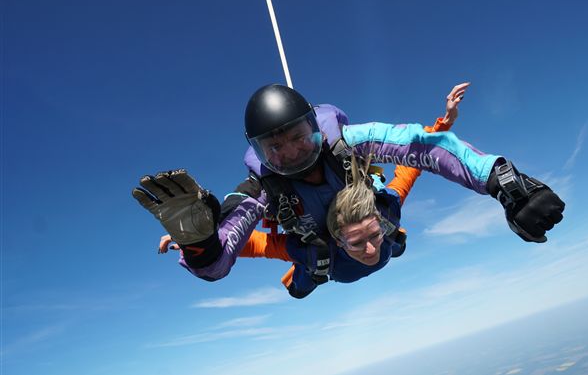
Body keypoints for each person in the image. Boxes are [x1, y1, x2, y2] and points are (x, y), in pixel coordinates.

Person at [133, 82, 565, 286]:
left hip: (345, 240)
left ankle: (325, 268)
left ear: (313, 127)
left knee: (384, 230)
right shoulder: (264, 189)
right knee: (308, 266)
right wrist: (199, 241)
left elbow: (420, 150)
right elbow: (236, 246)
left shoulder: (348, 145)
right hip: (319, 257)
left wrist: (505, 183)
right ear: (259, 152)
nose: (291, 153)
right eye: (274, 147)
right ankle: (304, 280)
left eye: (297, 137)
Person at [155, 84, 467, 297]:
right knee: (304, 280)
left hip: (346, 253)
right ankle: (309, 279)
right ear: (339, 240)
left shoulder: (385, 216)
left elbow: (411, 165)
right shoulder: (312, 249)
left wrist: (444, 123)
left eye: (373, 235)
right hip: (322, 263)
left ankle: (392, 242)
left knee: (393, 238)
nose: (370, 249)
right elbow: (255, 243)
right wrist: (198, 240)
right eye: (358, 241)